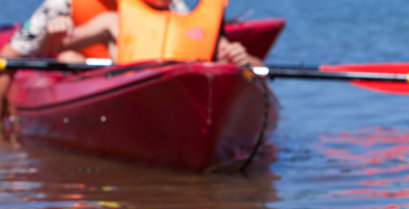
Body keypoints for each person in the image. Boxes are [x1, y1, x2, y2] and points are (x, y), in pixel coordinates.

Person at [1, 0, 259, 121]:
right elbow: (46, 52)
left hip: (164, 98)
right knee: (68, 57)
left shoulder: (179, 12)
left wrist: (242, 57)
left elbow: (250, 64)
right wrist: (53, 33)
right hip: (94, 76)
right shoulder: (69, 8)